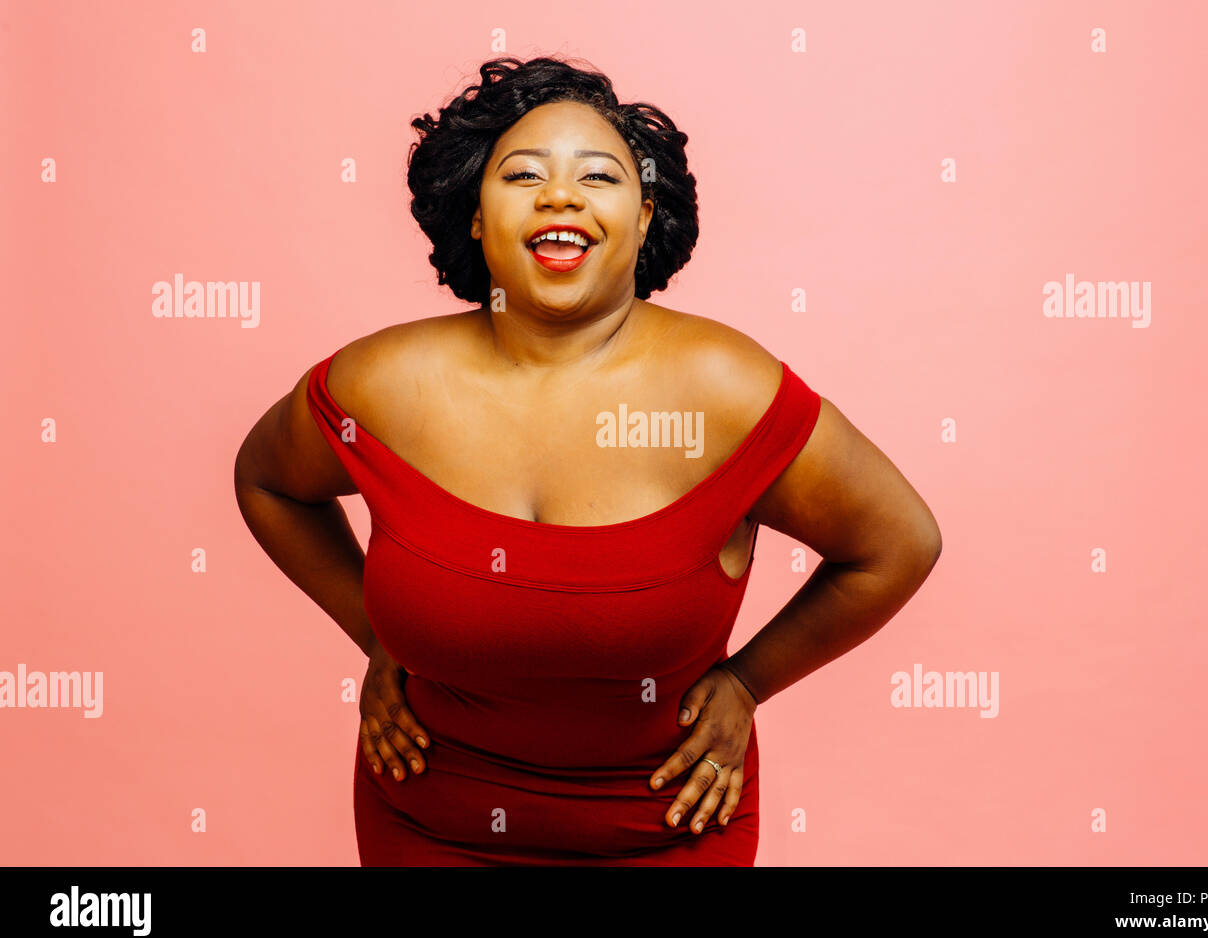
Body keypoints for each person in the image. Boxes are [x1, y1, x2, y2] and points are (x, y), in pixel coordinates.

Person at [234, 56, 942, 866]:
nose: (559, 195)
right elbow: (268, 483)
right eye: (523, 173)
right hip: (427, 820)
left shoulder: (724, 389)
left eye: (598, 176)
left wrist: (747, 683)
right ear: (474, 215)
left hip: (664, 827)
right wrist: (374, 633)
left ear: (644, 219)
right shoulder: (379, 385)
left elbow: (897, 542)